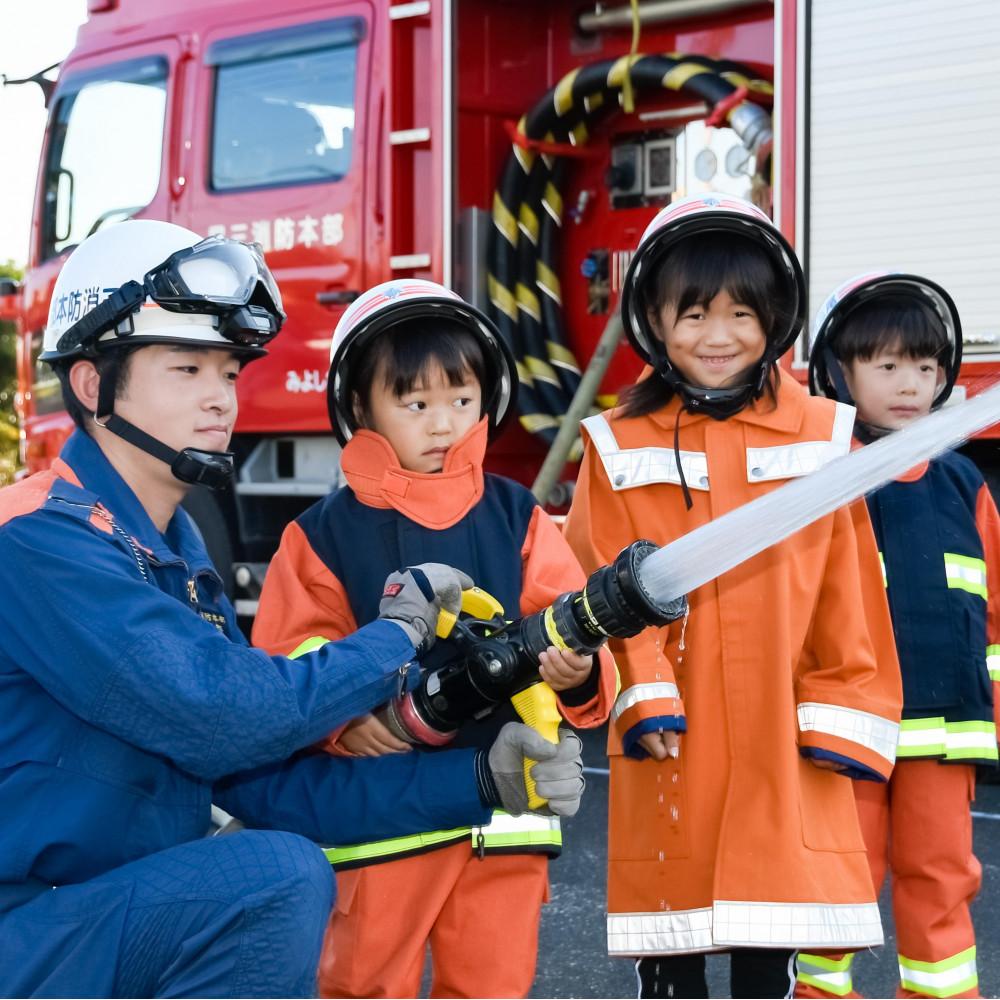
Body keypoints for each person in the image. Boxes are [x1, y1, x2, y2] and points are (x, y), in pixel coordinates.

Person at [0, 222, 585, 999]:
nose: (220, 398)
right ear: (90, 385)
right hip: (31, 932)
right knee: (273, 878)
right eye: (186, 368)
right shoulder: (39, 539)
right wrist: (396, 636)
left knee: (276, 862)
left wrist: (487, 779)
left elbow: (272, 788)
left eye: (230, 371)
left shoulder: (174, 558)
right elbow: (224, 715)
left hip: (100, 925)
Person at [562, 193, 903, 1000]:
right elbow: (596, 577)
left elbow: (848, 590)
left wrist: (841, 705)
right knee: (669, 944)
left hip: (782, 733)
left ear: (776, 318)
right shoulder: (617, 444)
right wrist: (642, 690)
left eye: (742, 315)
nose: (718, 338)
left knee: (770, 941)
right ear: (651, 318)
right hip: (674, 738)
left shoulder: (823, 438)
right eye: (694, 315)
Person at [253, 278, 617, 998]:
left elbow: (568, 621)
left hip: (506, 826)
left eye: (460, 398)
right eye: (415, 403)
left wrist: (578, 674)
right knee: (362, 985)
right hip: (382, 826)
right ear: (360, 405)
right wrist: (346, 722)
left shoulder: (519, 518)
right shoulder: (320, 538)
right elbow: (288, 665)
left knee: (492, 987)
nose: (443, 423)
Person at [796, 272, 999, 1000]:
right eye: (887, 365)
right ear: (837, 372)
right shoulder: (823, 480)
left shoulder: (964, 485)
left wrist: (991, 713)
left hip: (947, 735)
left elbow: (995, 611)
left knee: (942, 882)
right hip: (852, 732)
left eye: (926, 366)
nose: (912, 383)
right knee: (837, 890)